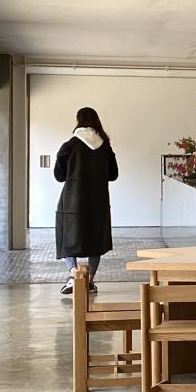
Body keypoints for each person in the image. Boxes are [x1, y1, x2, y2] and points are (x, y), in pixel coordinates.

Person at [53, 107, 118, 295]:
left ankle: (74, 275)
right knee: (95, 239)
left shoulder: (69, 145)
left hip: (72, 201)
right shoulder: (105, 147)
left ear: (78, 121)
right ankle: (89, 281)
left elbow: (59, 176)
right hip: (98, 201)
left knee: (67, 237)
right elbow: (113, 175)